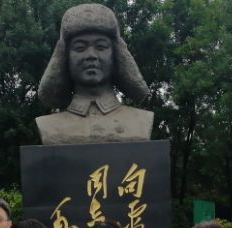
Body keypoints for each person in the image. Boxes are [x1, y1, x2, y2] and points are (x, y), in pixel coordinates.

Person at [35, 3, 153, 145]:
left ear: (115, 55)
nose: (91, 55)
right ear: (65, 57)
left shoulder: (141, 121)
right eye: (80, 48)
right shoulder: (48, 126)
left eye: (101, 47)